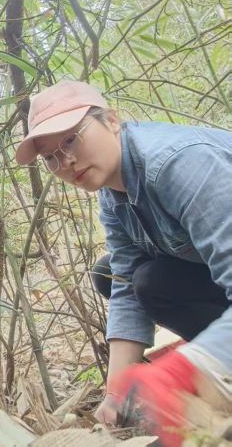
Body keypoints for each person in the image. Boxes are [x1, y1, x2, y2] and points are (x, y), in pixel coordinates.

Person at [15, 80, 232, 446]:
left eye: (70, 139)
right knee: (125, 276)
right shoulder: (113, 194)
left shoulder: (179, 164)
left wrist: (185, 371)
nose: (64, 161)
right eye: (50, 156)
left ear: (112, 120)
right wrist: (117, 393)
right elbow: (127, 282)